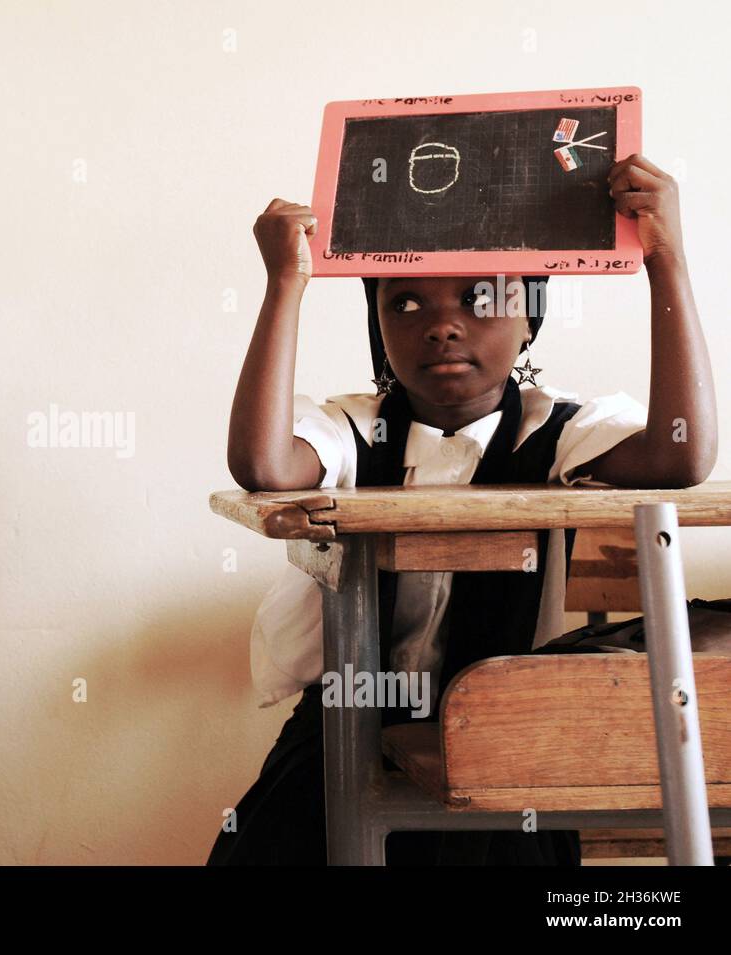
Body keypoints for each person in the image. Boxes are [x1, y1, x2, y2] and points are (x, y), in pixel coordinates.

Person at [211, 154, 716, 865]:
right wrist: (285, 285)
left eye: (481, 298)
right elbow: (262, 465)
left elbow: (681, 455)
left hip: (505, 729)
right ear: (378, 326)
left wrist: (669, 261)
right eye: (405, 303)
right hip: (350, 720)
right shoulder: (354, 428)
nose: (443, 325)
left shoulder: (559, 429)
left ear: (531, 322)